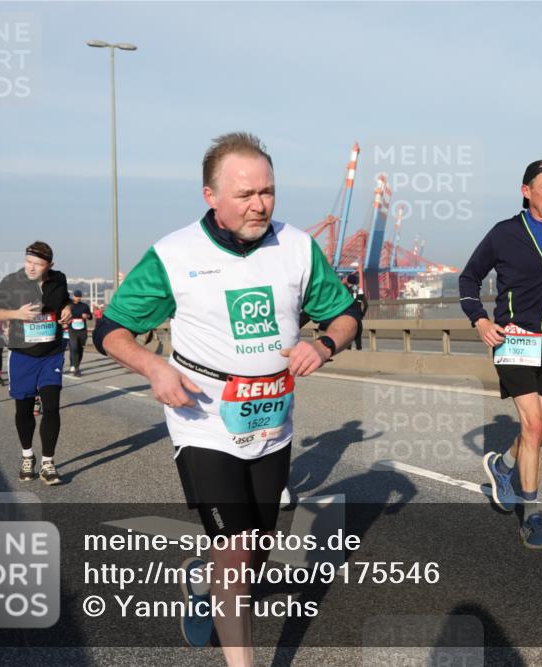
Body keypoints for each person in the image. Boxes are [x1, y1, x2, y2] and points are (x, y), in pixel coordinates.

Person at [94, 132, 359, 663]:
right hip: (203, 420)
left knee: (256, 550)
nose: (260, 205)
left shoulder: (298, 247)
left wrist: (325, 344)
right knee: (234, 552)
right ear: (210, 196)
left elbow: (346, 313)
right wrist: (155, 367)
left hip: (271, 420)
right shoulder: (173, 255)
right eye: (245, 194)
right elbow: (110, 329)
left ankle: (202, 582)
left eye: (268, 191)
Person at [459, 158, 542, 550]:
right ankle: (532, 517)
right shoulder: (505, 233)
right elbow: (468, 278)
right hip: (513, 338)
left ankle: (502, 465)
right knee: (531, 427)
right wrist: (480, 320)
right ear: (526, 191)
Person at [0, 241, 72, 485]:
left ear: (50, 265)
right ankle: (27, 456)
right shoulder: (12, 282)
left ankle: (48, 463)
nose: (32, 267)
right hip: (23, 354)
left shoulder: (59, 279)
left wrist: (67, 309)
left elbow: (64, 301)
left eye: (38, 264)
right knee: (23, 410)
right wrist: (17, 314)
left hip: (51, 353)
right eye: (28, 262)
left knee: (51, 407)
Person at [67, 289, 93, 377]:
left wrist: (87, 316)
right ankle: (75, 368)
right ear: (73, 296)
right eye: (76, 296)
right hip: (72, 330)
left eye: (79, 297)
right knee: (74, 348)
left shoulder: (84, 306)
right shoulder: (69, 306)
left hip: (82, 330)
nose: (78, 298)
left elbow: (90, 317)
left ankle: (76, 366)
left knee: (80, 349)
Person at [344, 273, 368, 350]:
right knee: (358, 337)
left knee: (348, 337)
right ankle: (359, 350)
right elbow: (366, 305)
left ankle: (349, 352)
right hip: (358, 315)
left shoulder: (346, 291)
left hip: (348, 316)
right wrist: (362, 314)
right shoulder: (359, 290)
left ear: (348, 281)